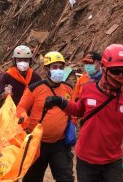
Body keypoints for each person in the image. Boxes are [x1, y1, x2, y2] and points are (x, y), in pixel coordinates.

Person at [44, 44, 123, 182]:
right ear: (105, 69)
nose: (120, 75)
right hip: (86, 162)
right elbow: (78, 110)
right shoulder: (88, 89)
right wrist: (61, 102)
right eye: (116, 70)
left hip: (112, 162)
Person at [17, 51, 74, 182]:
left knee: (66, 178)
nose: (58, 70)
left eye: (61, 67)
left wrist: (73, 125)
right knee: (32, 179)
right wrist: (24, 117)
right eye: (55, 67)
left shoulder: (68, 89)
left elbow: (74, 109)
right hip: (37, 143)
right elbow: (21, 108)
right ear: (46, 69)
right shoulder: (35, 88)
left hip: (60, 143)